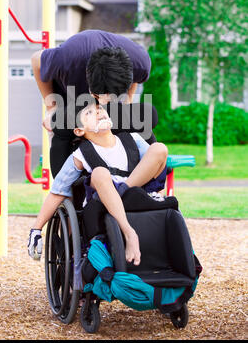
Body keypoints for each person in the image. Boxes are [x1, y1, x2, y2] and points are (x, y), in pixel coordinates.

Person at [28, 102, 170, 267]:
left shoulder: (132, 139)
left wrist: (159, 194)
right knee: (99, 172)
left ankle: (123, 190)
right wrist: (36, 229)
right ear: (79, 130)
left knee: (159, 149)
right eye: (89, 113)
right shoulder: (80, 155)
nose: (98, 112)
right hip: (102, 202)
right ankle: (129, 233)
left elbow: (157, 164)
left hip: (134, 191)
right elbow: (58, 191)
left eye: (100, 109)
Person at [31, 30, 156, 178]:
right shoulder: (66, 58)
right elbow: (36, 60)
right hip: (68, 94)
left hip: (110, 82)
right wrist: (51, 107)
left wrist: (127, 100)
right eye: (98, 98)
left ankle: (137, 184)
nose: (101, 105)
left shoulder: (140, 62)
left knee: (129, 122)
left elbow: (137, 77)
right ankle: (64, 195)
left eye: (109, 101)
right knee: (59, 126)